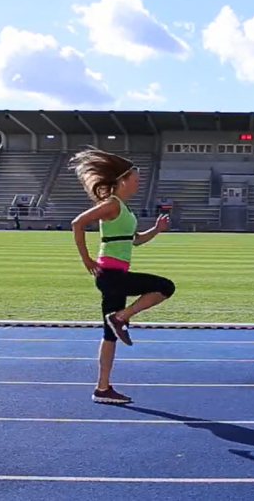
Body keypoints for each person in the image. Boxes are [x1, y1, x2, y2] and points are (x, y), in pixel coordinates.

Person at [69, 148, 175, 405]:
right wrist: (86, 259)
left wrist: (157, 230)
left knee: (109, 335)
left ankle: (102, 388)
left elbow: (135, 241)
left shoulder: (124, 209)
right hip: (110, 274)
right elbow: (77, 223)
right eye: (136, 179)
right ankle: (121, 317)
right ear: (122, 181)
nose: (139, 183)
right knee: (165, 286)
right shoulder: (111, 204)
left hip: (115, 276)